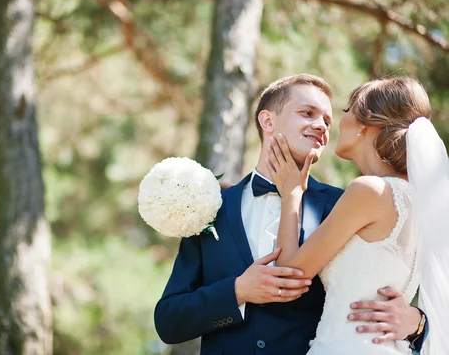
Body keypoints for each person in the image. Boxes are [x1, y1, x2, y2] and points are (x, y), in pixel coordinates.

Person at [154, 74, 427, 355]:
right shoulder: (213, 207)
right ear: (268, 121)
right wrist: (238, 291)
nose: (321, 125)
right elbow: (169, 321)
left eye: (328, 121)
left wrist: (417, 323)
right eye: (307, 113)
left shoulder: (346, 205)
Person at [266, 76, 448, 354]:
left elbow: (289, 275)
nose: (335, 124)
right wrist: (419, 322)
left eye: (345, 111)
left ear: (365, 124)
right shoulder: (422, 203)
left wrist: (291, 194)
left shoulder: (370, 191)